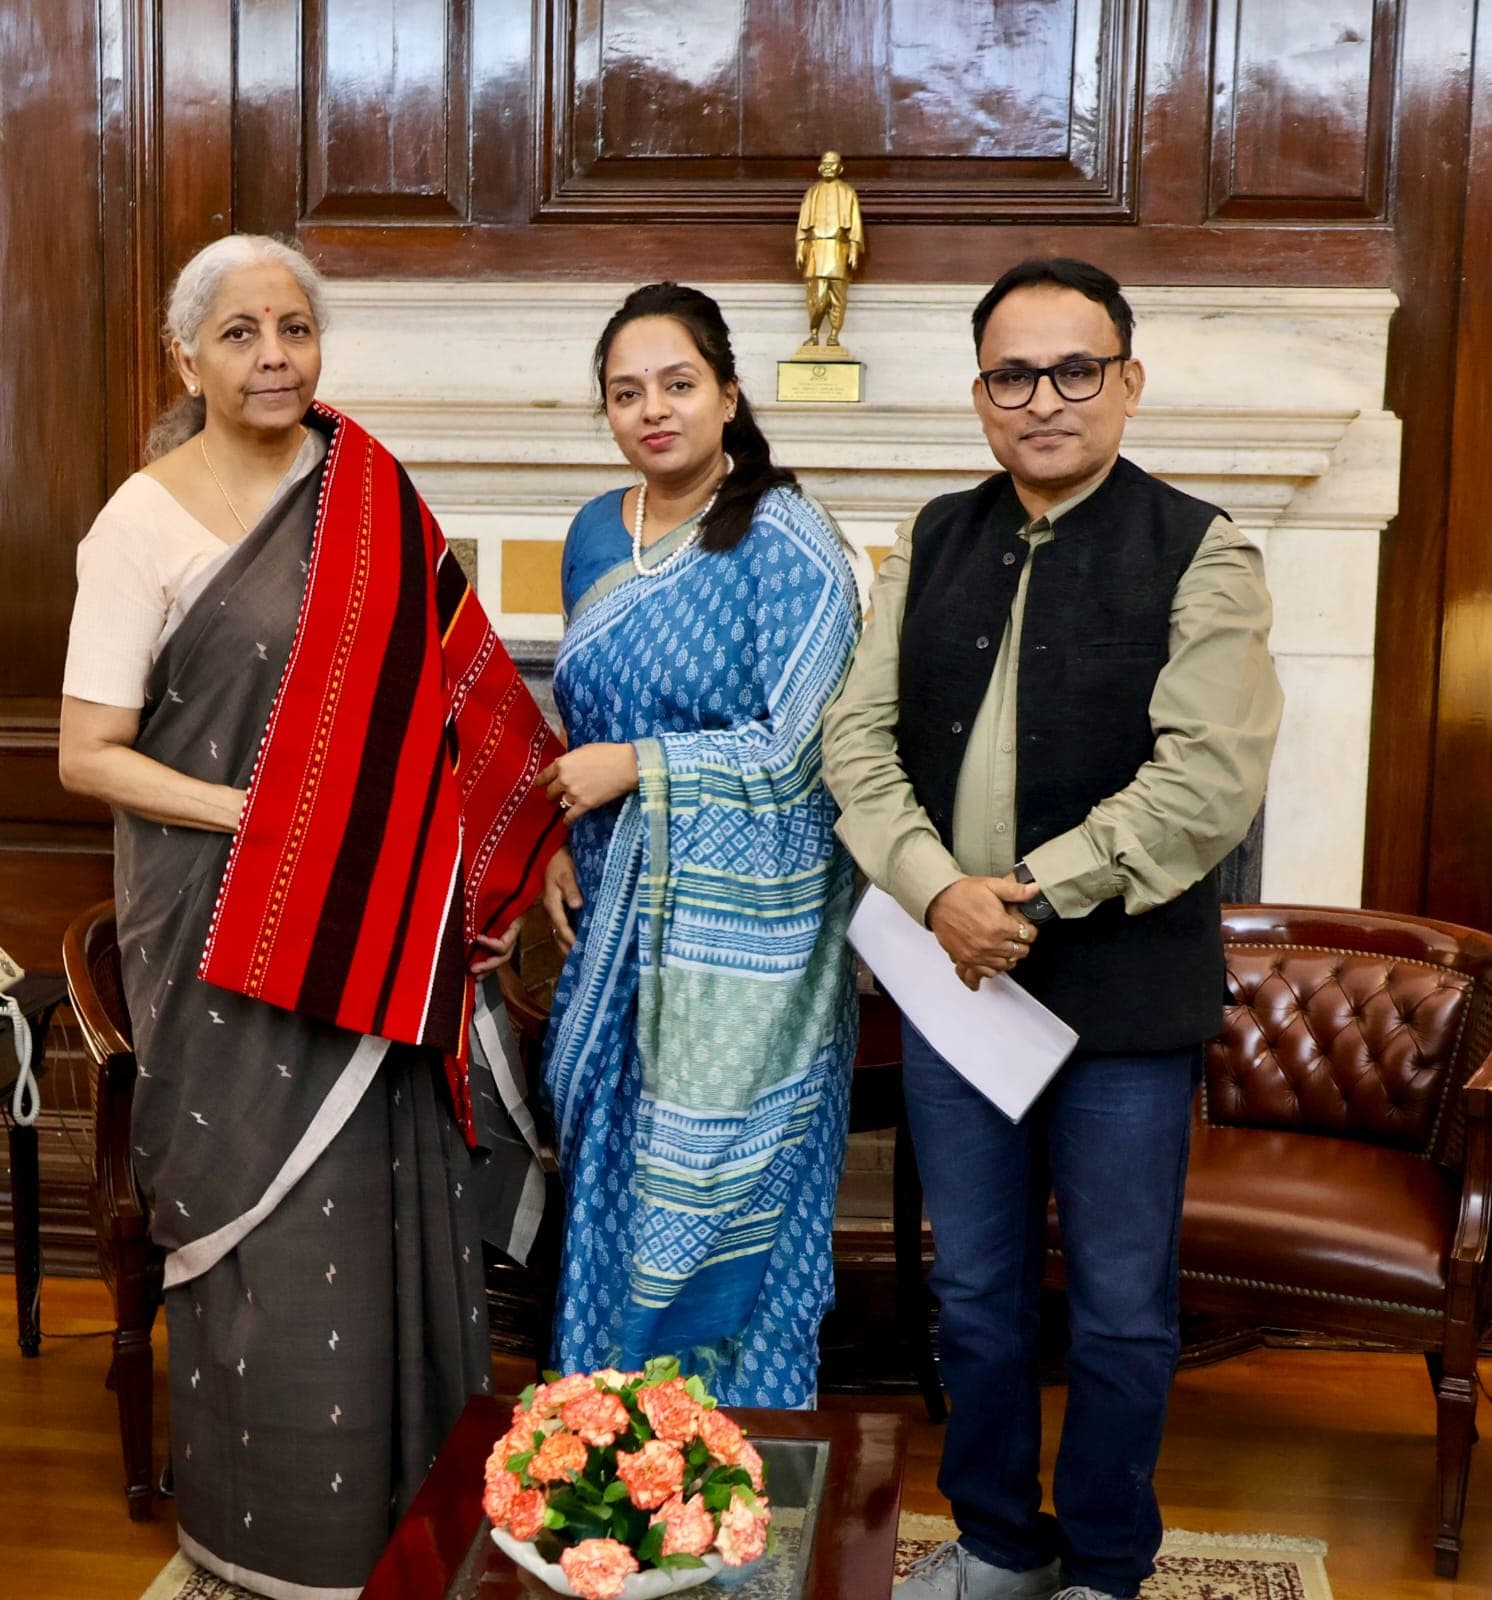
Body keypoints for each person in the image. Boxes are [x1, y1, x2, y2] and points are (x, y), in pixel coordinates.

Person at [58, 234, 564, 1599]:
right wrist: (256, 819)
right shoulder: (141, 522)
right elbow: (87, 752)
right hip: (222, 920)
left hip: (373, 914)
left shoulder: (371, 492)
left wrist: (480, 857)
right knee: (267, 1225)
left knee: (383, 1199)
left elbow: (453, 687)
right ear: (188, 356)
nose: (273, 355)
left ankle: (415, 1505)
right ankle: (272, 1536)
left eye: (294, 328)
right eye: (240, 333)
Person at [822, 258, 1283, 1600]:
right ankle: (998, 1546)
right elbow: (856, 739)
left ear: (1128, 381)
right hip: (958, 983)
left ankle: (1103, 1566)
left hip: (1123, 999)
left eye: (1075, 369)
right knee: (971, 1293)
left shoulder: (1204, 551)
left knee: (1125, 1313)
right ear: (980, 396)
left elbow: (1207, 781)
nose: (1045, 398)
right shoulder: (933, 537)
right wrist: (932, 889)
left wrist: (1027, 893)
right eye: (1014, 374)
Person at [536, 281, 861, 1409]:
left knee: (743, 1210)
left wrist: (640, 768)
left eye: (677, 385)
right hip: (616, 923)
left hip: (754, 956)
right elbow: (579, 731)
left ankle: (747, 1475)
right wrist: (558, 845)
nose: (652, 412)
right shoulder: (590, 535)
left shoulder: (788, 535)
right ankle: (606, 1459)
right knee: (612, 1191)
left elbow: (805, 752)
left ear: (728, 394)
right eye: (626, 395)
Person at [795, 150, 864, 351]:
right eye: (825, 163)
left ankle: (834, 334)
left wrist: (853, 249)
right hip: (815, 249)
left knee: (837, 296)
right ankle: (814, 333)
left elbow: (855, 225)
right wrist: (800, 247)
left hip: (837, 248)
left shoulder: (847, 192)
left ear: (840, 168)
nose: (828, 167)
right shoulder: (812, 192)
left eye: (832, 164)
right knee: (816, 296)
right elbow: (802, 225)